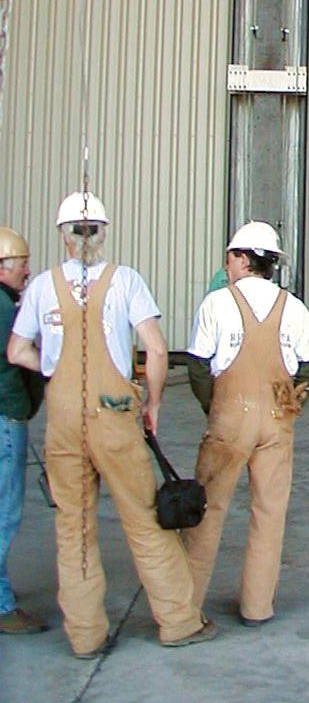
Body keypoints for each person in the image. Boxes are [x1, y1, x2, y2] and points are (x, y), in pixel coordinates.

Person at [6, 192, 215, 657]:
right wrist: (154, 403)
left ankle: (85, 636)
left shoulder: (41, 286)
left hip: (63, 419)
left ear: (62, 237)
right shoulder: (126, 282)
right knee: (145, 520)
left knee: (73, 528)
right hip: (116, 415)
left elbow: (17, 352)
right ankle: (179, 622)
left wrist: (54, 370)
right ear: (102, 233)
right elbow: (156, 350)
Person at [182, 221, 309, 626]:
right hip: (277, 423)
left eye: (230, 257)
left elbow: (196, 367)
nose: (226, 265)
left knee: (208, 511)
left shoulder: (216, 304)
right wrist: (288, 409)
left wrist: (216, 408)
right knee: (269, 513)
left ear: (243, 258)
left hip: (230, 419)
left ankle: (186, 608)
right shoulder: (293, 307)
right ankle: (257, 608)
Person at [0, 226, 47, 635]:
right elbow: (19, 353)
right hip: (5, 420)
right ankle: (0, 605)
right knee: (5, 512)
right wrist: (59, 365)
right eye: (21, 265)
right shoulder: (2, 308)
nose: (27, 272)